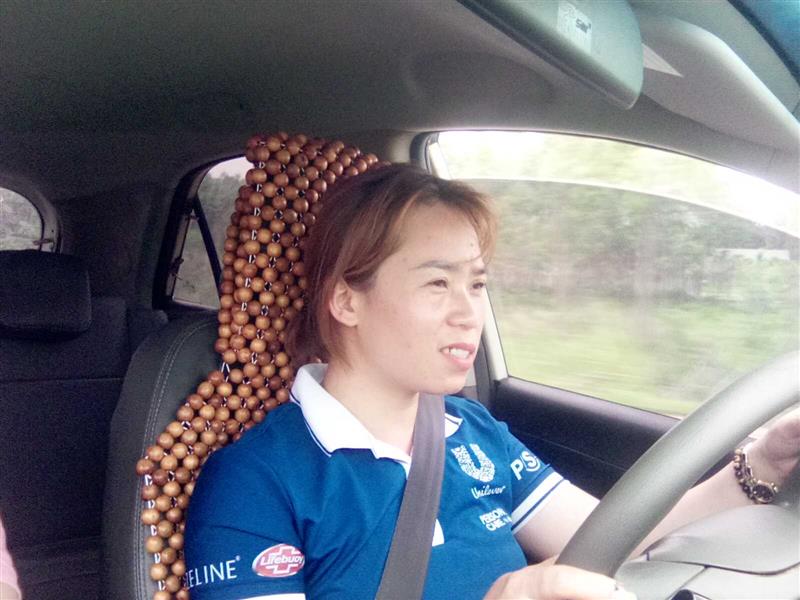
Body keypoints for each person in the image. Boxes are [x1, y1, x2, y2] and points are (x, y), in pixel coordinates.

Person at [184, 163, 800, 600]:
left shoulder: (472, 429)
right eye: (437, 283)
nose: (469, 312)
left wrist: (762, 465)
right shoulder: (255, 481)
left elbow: (617, 534)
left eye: (476, 283)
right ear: (347, 300)